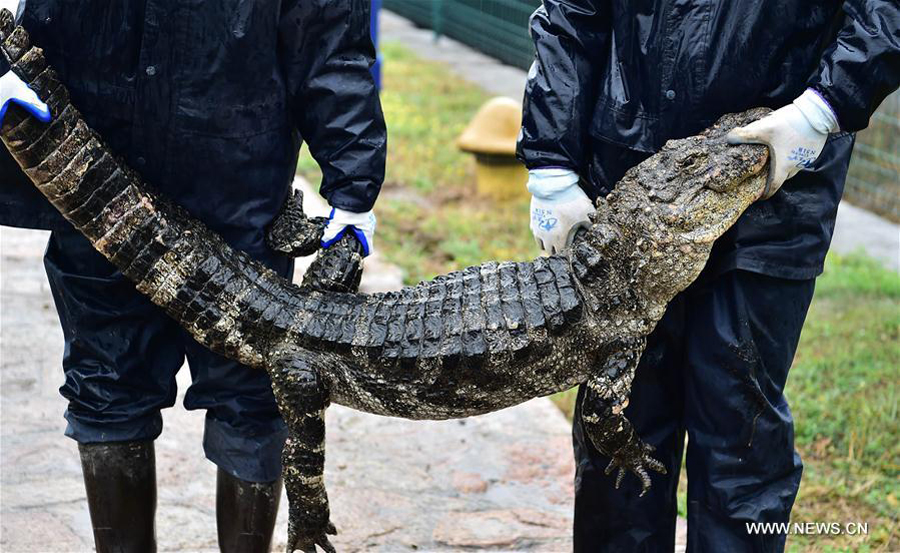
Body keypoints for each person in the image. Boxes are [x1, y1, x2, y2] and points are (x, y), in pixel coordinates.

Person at [0, 0, 385, 551]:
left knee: (250, 393)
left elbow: (327, 37)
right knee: (108, 381)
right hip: (93, 163)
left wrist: (354, 182)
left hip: (239, 180)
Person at [517, 1, 899, 551]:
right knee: (619, 431)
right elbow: (572, 12)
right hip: (629, 190)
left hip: (772, 176)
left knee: (739, 436)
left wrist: (824, 107)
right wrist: (551, 162)